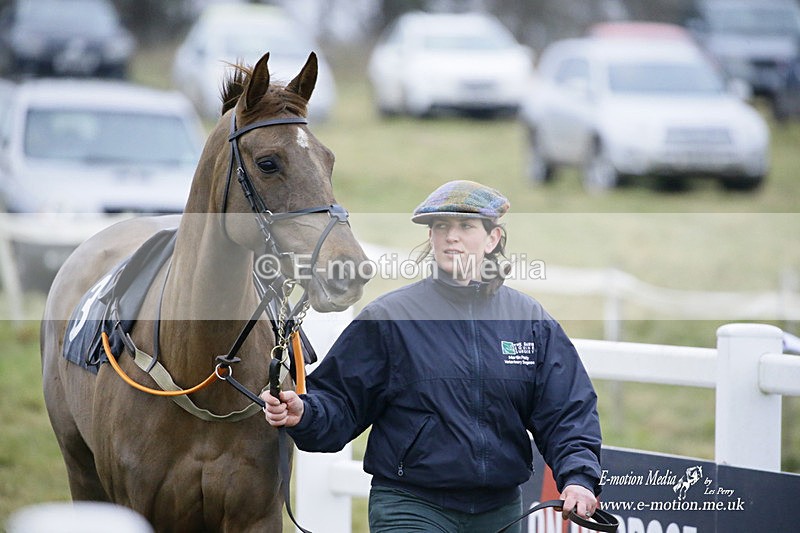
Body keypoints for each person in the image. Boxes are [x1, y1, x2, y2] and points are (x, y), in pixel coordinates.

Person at [263, 180, 602, 532]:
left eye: (465, 226)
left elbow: (567, 411)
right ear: (431, 238)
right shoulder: (389, 319)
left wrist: (578, 477)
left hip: (501, 511)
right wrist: (304, 412)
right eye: (441, 227)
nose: (451, 237)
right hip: (411, 506)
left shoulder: (530, 321)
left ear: (493, 238)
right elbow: (340, 401)